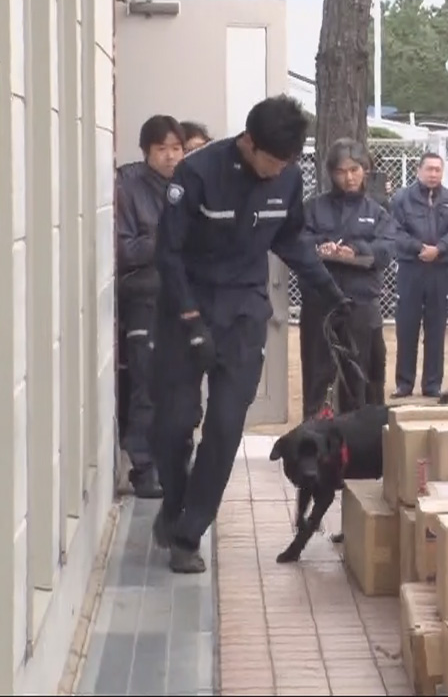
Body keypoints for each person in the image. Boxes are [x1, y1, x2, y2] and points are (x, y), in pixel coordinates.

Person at [152, 96, 350, 573]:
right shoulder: (198, 173)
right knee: (173, 425)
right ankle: (174, 502)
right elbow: (168, 254)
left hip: (243, 314)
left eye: (287, 162)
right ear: (248, 142)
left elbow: (289, 238)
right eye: (273, 161)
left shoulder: (287, 176)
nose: (278, 170)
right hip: (187, 308)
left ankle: (189, 532)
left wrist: (329, 290)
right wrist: (190, 320)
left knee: (224, 427)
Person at [114, 114, 185, 498]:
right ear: (146, 152)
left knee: (177, 386)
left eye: (176, 148)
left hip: (184, 297)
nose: (171, 156)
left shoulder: (188, 185)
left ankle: (170, 461)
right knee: (146, 383)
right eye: (162, 149)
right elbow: (124, 250)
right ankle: (143, 468)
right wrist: (166, 238)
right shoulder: (128, 186)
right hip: (144, 295)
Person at [300, 138, 396, 419]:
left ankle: (363, 429)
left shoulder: (377, 210)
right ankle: (315, 430)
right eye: (341, 171)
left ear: (365, 170)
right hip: (320, 302)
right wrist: (321, 247)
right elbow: (298, 240)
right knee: (318, 372)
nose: (349, 177)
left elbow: (386, 248)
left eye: (354, 170)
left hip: (361, 302)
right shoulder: (314, 207)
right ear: (331, 173)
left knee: (364, 372)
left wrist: (356, 250)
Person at [389, 153, 448, 398]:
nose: (433, 174)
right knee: (407, 327)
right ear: (418, 170)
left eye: (437, 170)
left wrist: (439, 249)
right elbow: (395, 230)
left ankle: (432, 385)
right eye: (429, 169)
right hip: (411, 269)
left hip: (439, 270)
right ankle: (404, 384)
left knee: (436, 328)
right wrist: (419, 248)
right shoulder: (401, 199)